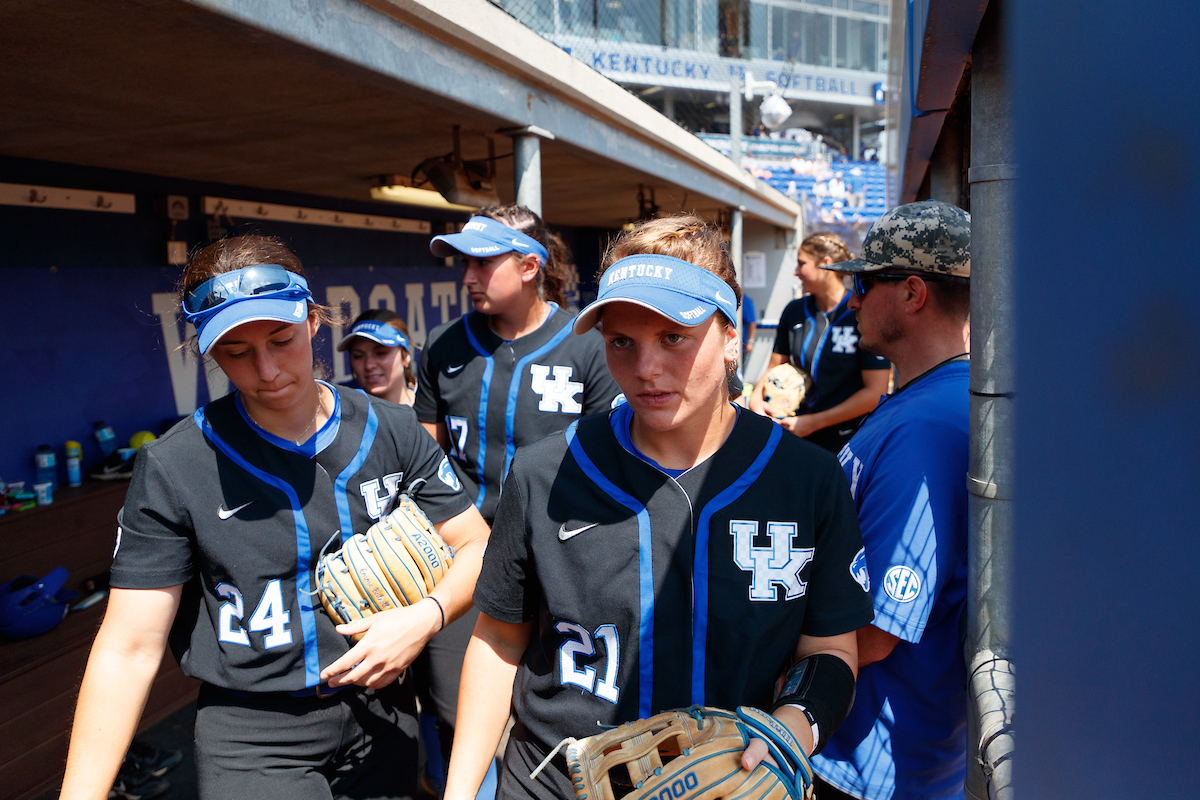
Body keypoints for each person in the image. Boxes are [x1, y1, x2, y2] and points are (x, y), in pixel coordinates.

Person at [443, 215, 875, 800]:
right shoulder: (546, 470)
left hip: (730, 783)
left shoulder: (807, 479)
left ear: (732, 337)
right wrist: (460, 793)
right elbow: (499, 641)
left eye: (674, 337)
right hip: (558, 782)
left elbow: (829, 649)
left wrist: (789, 729)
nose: (645, 369)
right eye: (622, 341)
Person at [59, 235, 490, 800]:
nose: (266, 369)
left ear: (314, 321)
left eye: (281, 339)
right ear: (209, 351)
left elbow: (475, 545)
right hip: (253, 732)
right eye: (236, 351)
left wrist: (427, 617)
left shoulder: (391, 428)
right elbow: (129, 646)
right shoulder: (176, 464)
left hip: (380, 710)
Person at [413, 206, 622, 785]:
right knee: (458, 713)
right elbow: (424, 460)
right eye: (465, 264)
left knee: (556, 718)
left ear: (529, 266)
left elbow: (613, 463)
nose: (468, 277)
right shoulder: (444, 345)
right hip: (464, 560)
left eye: (483, 263)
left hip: (561, 559)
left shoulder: (587, 344)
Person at [808, 200, 972, 800]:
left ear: (911, 293)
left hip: (871, 766)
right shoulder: (928, 401)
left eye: (864, 282)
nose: (852, 300)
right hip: (877, 754)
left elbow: (876, 630)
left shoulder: (928, 424)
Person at [750, 232, 891, 453]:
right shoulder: (794, 310)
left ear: (825, 264)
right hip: (795, 431)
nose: (796, 272)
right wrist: (756, 400)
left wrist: (815, 422)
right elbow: (774, 367)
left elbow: (875, 393)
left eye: (801, 264)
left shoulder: (860, 311)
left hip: (846, 440)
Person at [340, 308, 417, 406]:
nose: (369, 365)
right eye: (358, 356)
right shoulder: (341, 409)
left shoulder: (434, 406)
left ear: (405, 356)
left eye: (381, 353)